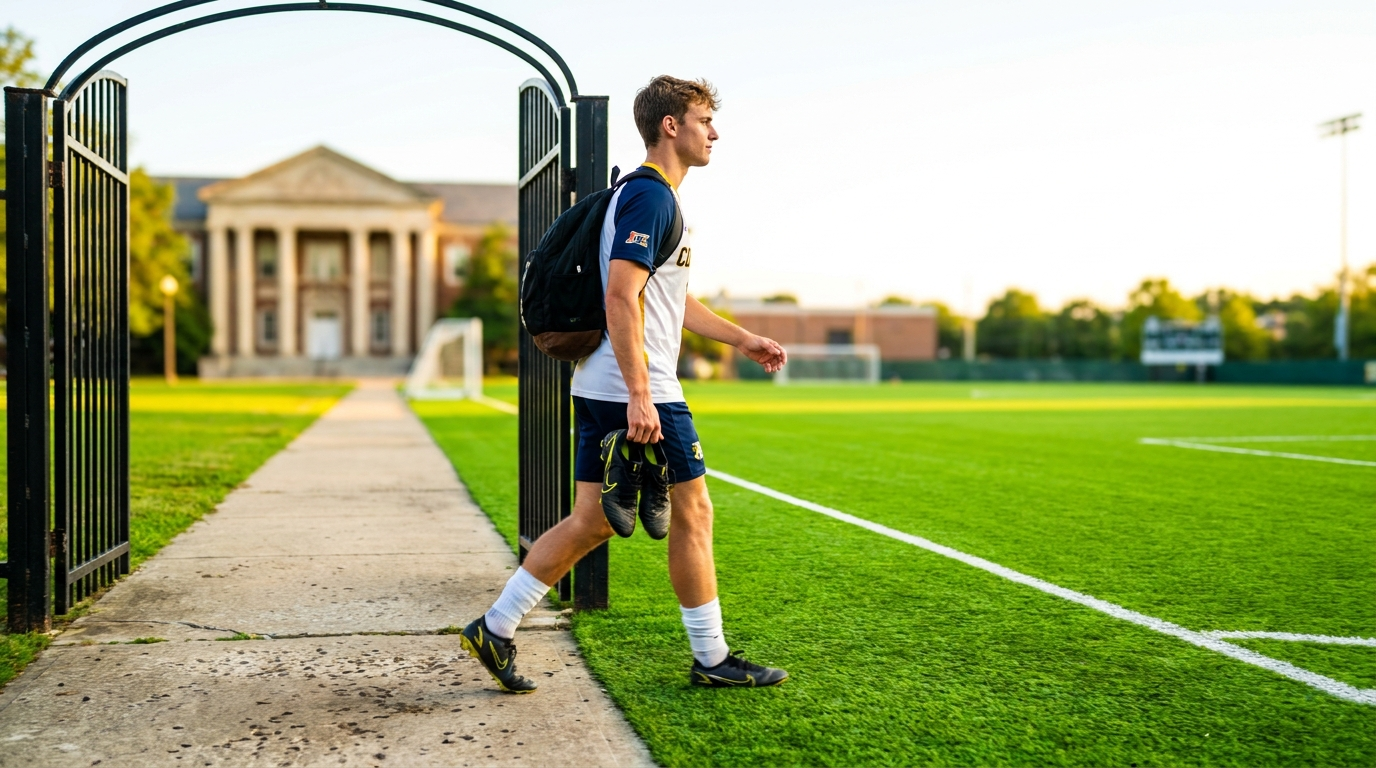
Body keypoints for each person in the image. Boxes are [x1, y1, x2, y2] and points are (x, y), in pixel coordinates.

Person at [460, 75, 789, 692]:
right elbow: (620, 295)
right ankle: (711, 657)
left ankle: (495, 627)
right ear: (671, 126)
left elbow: (670, 299)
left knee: (592, 521)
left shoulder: (647, 198)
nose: (714, 133)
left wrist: (741, 338)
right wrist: (642, 394)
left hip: (604, 383)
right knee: (695, 512)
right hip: (638, 388)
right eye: (704, 120)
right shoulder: (651, 198)